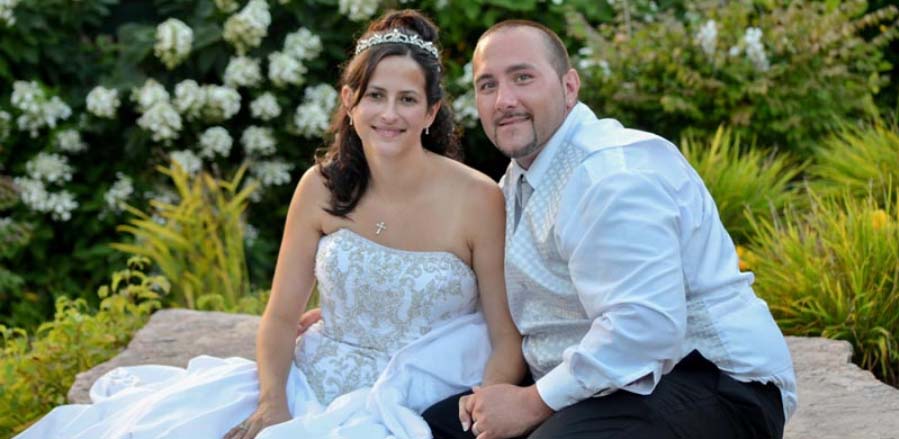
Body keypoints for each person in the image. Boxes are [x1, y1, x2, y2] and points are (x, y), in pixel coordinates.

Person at [15, 10, 525, 439]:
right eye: (374, 95)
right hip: (310, 382)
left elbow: (505, 338)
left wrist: (475, 415)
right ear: (349, 102)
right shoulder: (320, 187)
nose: (388, 113)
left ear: (432, 111)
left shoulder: (479, 198)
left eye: (407, 99)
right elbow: (281, 318)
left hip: (418, 395)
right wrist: (272, 402)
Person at [421, 20, 797, 439]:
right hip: (600, 385)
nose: (504, 100)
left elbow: (646, 329)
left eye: (523, 77)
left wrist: (531, 402)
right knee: (431, 426)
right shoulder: (515, 183)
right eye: (487, 85)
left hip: (715, 384)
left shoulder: (610, 175)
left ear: (569, 87)